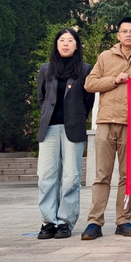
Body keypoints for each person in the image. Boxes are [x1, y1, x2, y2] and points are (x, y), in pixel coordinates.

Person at [80, 17, 131, 240]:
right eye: (124, 31)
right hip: (106, 122)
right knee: (101, 175)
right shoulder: (106, 56)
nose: (128, 35)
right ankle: (94, 222)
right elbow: (89, 84)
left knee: (128, 176)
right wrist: (115, 80)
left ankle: (123, 220)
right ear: (118, 35)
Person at [36, 28, 95, 239]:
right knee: (46, 177)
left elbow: (88, 99)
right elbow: (41, 98)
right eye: (62, 40)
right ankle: (48, 221)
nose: (65, 44)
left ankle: (65, 222)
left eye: (70, 40)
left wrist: (77, 115)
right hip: (49, 129)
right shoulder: (46, 69)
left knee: (71, 178)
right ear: (56, 44)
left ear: (76, 45)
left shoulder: (85, 69)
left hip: (73, 127)